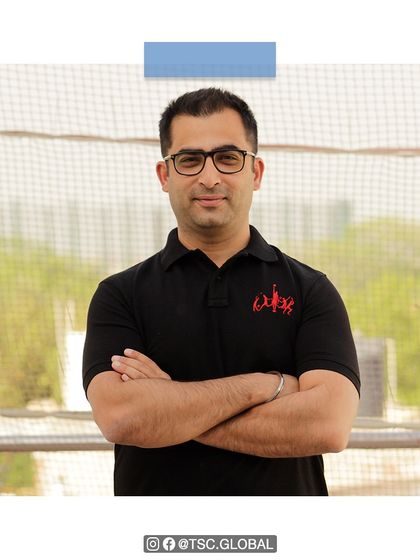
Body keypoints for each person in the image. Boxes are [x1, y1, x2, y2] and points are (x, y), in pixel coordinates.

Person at [82, 87, 360, 496]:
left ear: (256, 172)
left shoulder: (310, 290)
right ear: (165, 175)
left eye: (228, 158)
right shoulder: (119, 295)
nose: (209, 177)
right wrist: (264, 386)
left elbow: (328, 425)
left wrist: (169, 408)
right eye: (189, 160)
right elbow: (122, 418)